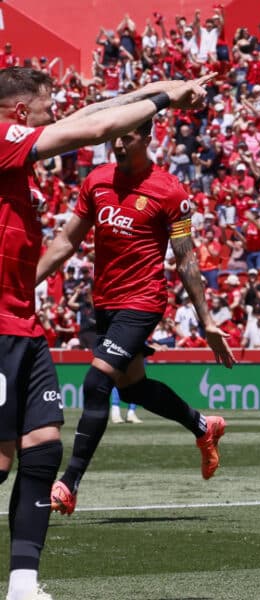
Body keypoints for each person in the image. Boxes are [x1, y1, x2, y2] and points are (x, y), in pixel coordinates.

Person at [0, 66, 211, 600]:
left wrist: (162, 91)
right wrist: (168, 95)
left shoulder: (168, 189)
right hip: (3, 324)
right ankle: (199, 425)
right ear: (21, 112)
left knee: (43, 445)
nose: (57, 114)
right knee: (2, 459)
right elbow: (93, 129)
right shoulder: (2, 138)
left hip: (30, 323)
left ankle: (24, 584)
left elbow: (93, 115)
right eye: (48, 106)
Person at [36, 117, 235, 517]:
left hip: (142, 301)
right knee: (131, 388)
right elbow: (67, 241)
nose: (118, 145)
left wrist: (207, 320)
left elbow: (186, 260)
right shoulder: (97, 181)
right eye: (114, 137)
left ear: (147, 137)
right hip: (105, 302)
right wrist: (25, 286)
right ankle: (203, 426)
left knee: (96, 382)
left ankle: (69, 482)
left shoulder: (169, 192)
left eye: (126, 137)